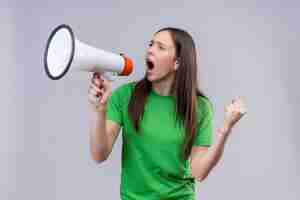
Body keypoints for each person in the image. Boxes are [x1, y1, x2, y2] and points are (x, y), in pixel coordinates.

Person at [88, 27, 247, 200]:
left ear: (177, 62)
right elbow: (99, 155)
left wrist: (227, 127)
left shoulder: (199, 107)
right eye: (151, 44)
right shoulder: (125, 96)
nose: (150, 50)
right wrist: (99, 110)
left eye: (160, 47)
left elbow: (198, 172)